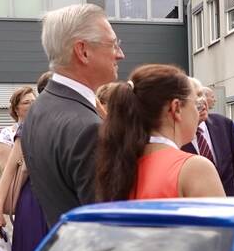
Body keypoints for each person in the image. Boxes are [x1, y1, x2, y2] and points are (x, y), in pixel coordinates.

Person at [21, 4, 124, 227]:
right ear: (83, 51)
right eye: (113, 44)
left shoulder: (39, 109)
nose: (120, 54)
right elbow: (106, 226)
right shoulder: (88, 128)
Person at [95, 65, 224, 201]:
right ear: (176, 108)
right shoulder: (195, 169)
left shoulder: (118, 165)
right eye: (195, 104)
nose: (198, 111)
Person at [0, 76, 52, 251]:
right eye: (27, 102)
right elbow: (8, 171)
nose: (33, 105)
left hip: (59, 198)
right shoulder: (22, 130)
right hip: (32, 199)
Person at [181, 77, 234, 196]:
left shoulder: (224, 125)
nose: (202, 102)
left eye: (202, 95)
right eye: (196, 97)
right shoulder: (177, 136)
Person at [0, 87, 36, 168]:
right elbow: (6, 169)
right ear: (16, 109)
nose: (32, 105)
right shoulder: (6, 135)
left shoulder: (46, 130)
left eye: (34, 102)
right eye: (26, 103)